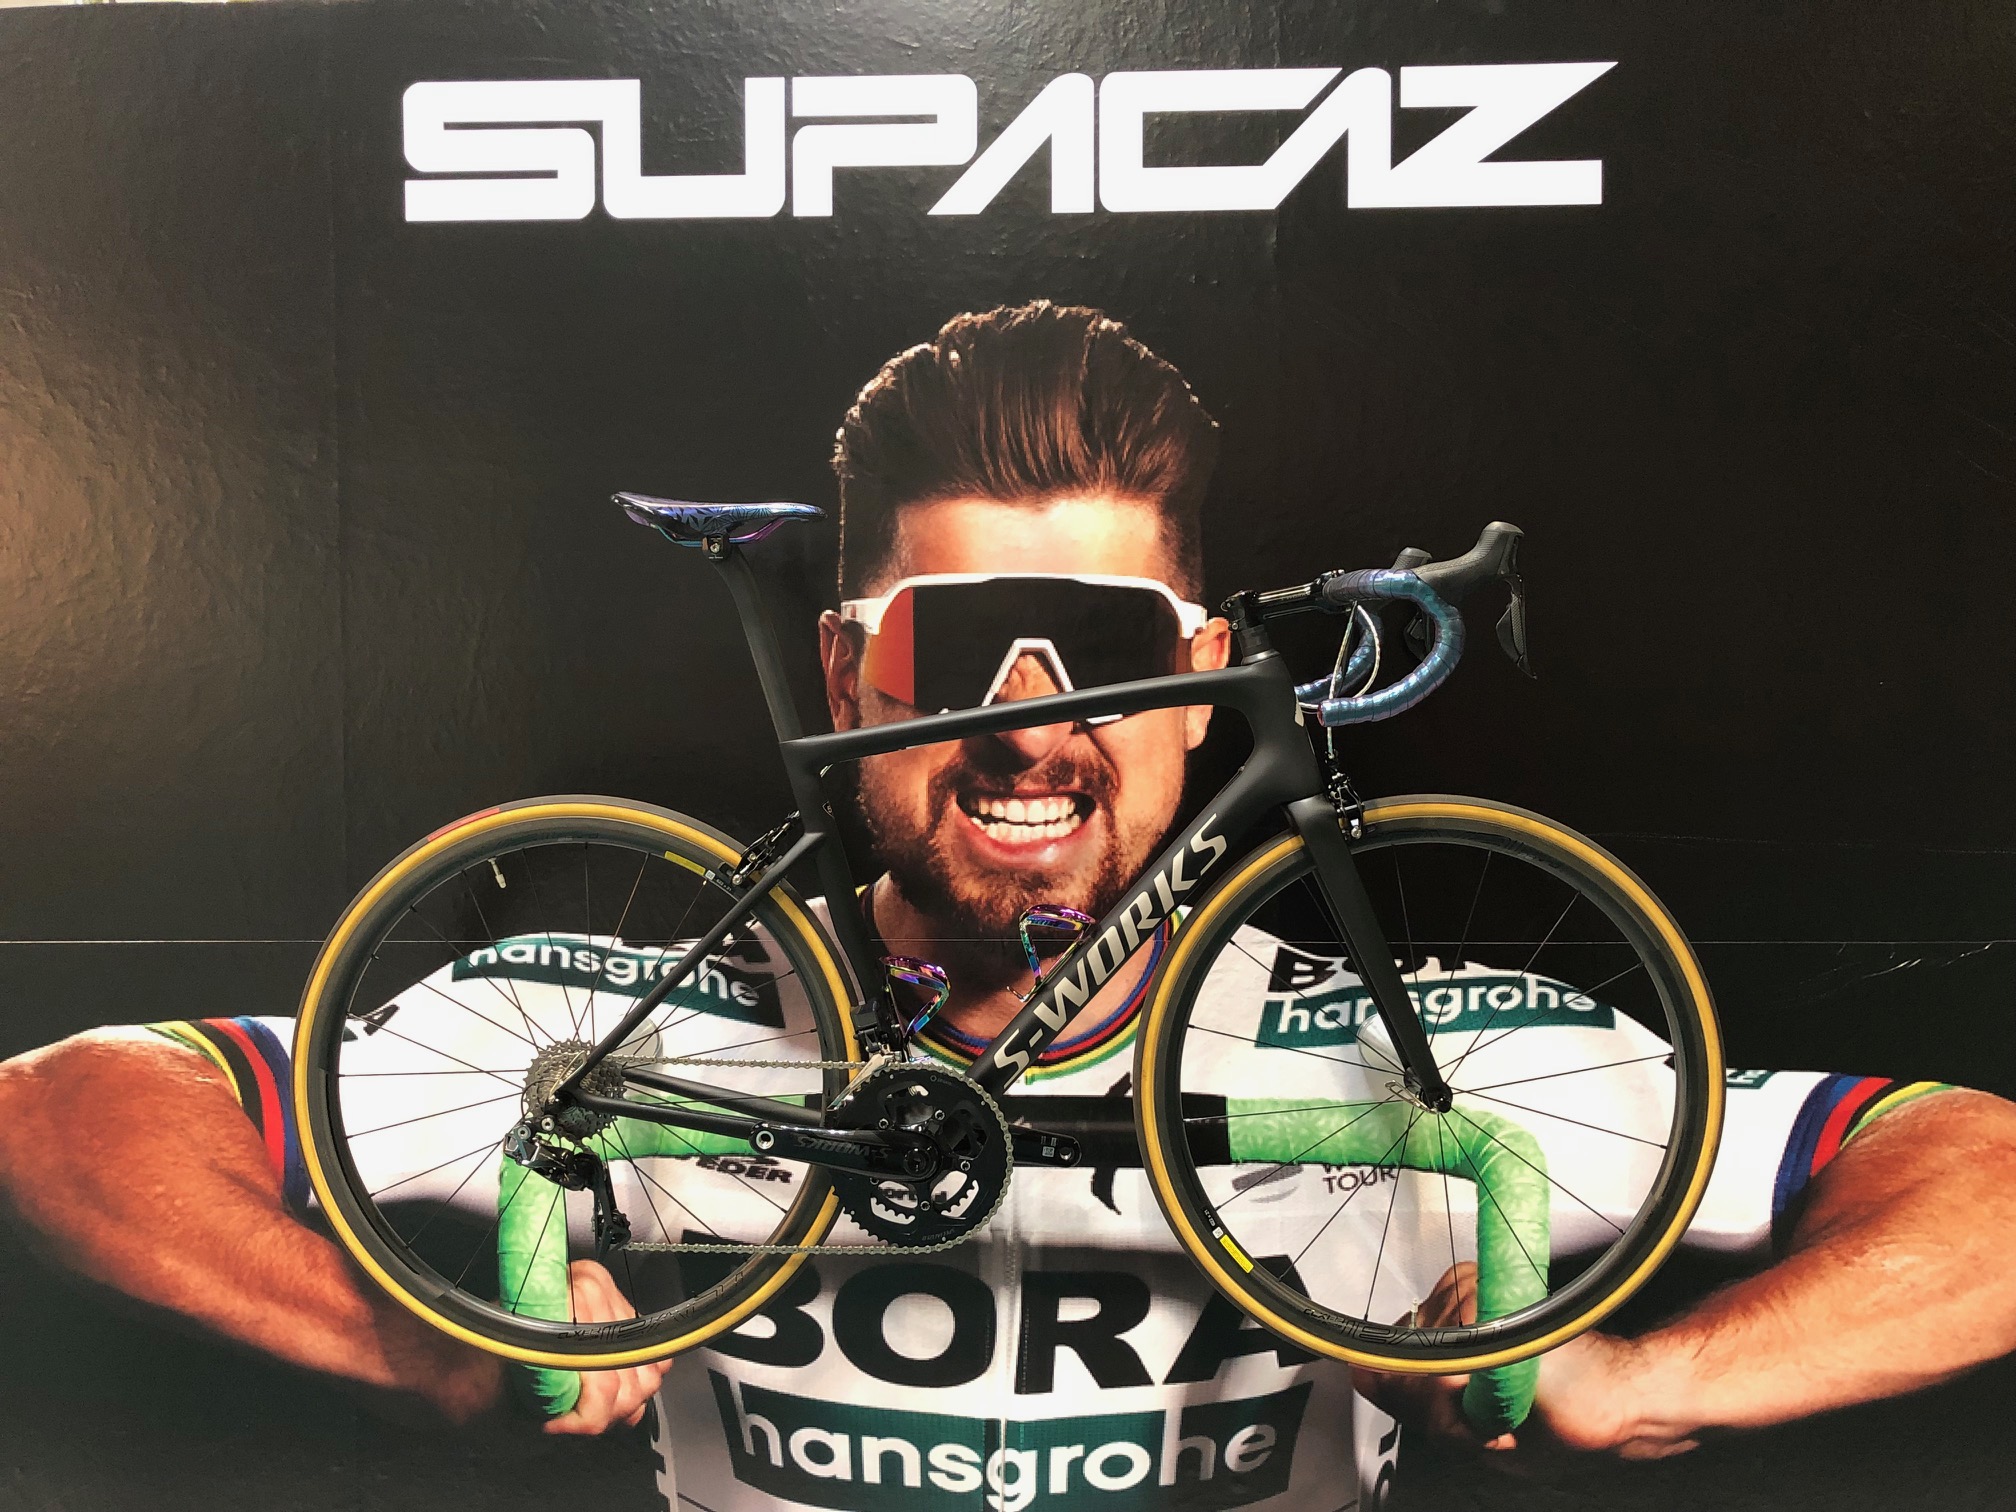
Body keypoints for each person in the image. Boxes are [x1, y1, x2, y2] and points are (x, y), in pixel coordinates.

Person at [3, 302, 2016, 1512]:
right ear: (851, 673)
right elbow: (59, 1116)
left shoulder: (1406, 1060)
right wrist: (434, 1350)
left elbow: (1985, 1185)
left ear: (1210, 677)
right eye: (960, 649)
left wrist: (1641, 1381)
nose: (1033, 728)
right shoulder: (616, 1035)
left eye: (1104, 653)